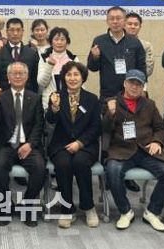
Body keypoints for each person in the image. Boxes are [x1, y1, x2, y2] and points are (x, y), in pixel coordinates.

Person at [103, 69, 164, 232]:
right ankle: (125, 211)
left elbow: (160, 128)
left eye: (139, 84)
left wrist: (157, 141)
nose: (135, 87)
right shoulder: (112, 102)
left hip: (146, 150)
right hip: (122, 150)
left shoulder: (149, 104)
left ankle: (152, 212)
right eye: (131, 83)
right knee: (113, 170)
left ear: (143, 87)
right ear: (124, 83)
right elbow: (105, 129)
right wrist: (111, 113)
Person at [0, 62, 45, 227]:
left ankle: (27, 205)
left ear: (27, 77)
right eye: (14, 73)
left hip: (28, 145)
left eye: (21, 73)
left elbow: (39, 125)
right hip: (6, 145)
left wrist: (30, 144)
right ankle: (5, 205)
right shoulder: (2, 97)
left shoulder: (35, 98)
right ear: (8, 77)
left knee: (40, 168)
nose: (18, 76)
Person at [46, 62, 101, 229]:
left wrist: (79, 143)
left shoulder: (92, 99)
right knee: (63, 164)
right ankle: (67, 209)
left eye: (76, 74)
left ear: (83, 77)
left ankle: (88, 207)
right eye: (69, 75)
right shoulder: (56, 96)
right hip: (60, 144)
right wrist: (54, 108)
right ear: (64, 78)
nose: (72, 78)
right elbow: (50, 120)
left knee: (80, 162)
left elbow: (96, 127)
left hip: (86, 145)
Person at [87, 6, 146, 101]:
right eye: (111, 19)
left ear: (124, 21)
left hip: (131, 92)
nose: (115, 22)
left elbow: (142, 67)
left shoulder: (134, 42)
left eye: (118, 18)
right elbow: (92, 68)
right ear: (107, 21)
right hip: (108, 94)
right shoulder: (99, 41)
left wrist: (143, 88)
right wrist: (95, 57)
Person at [0, 17, 39, 94]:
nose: (15, 33)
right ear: (6, 32)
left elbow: (34, 79)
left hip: (26, 96)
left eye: (18, 30)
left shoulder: (31, 53)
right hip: (3, 95)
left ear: (22, 32)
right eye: (12, 30)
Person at [37, 27, 77, 107]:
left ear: (67, 42)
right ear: (51, 42)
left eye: (62, 39)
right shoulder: (44, 58)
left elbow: (80, 82)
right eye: (56, 39)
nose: (59, 42)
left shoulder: (73, 59)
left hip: (70, 103)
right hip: (49, 102)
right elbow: (41, 83)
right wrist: (49, 65)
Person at [124, 12, 155, 80]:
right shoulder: (117, 43)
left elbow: (149, 69)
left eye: (136, 24)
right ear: (124, 25)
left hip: (139, 82)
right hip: (118, 81)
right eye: (129, 24)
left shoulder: (146, 45)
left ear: (140, 27)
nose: (133, 27)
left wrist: (133, 78)